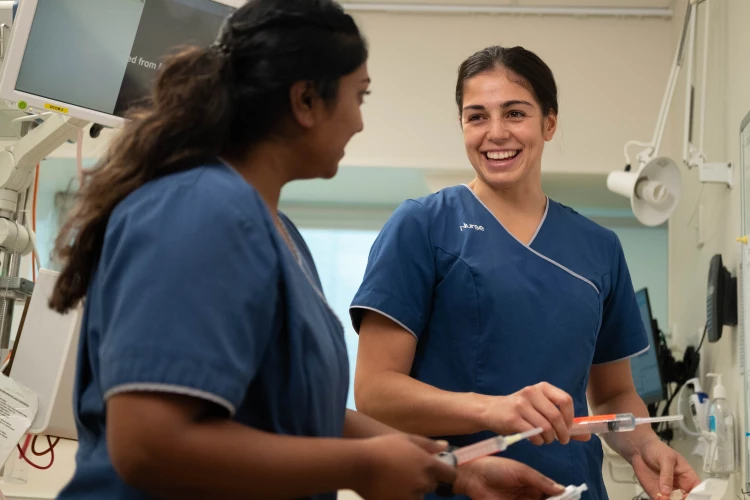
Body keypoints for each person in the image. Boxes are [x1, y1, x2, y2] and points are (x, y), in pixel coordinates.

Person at [48, 3, 568, 499]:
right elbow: (148, 446)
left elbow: (298, 409)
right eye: (358, 96)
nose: (360, 122)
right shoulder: (196, 211)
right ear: (305, 101)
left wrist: (455, 470)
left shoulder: (279, 234)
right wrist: (362, 466)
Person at [351, 45, 701, 500]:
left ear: (549, 123)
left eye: (515, 113)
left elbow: (614, 397)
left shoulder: (598, 248)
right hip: (454, 488)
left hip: (571, 488)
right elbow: (375, 393)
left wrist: (644, 448)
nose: (495, 133)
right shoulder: (423, 225)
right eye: (476, 116)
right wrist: (495, 409)